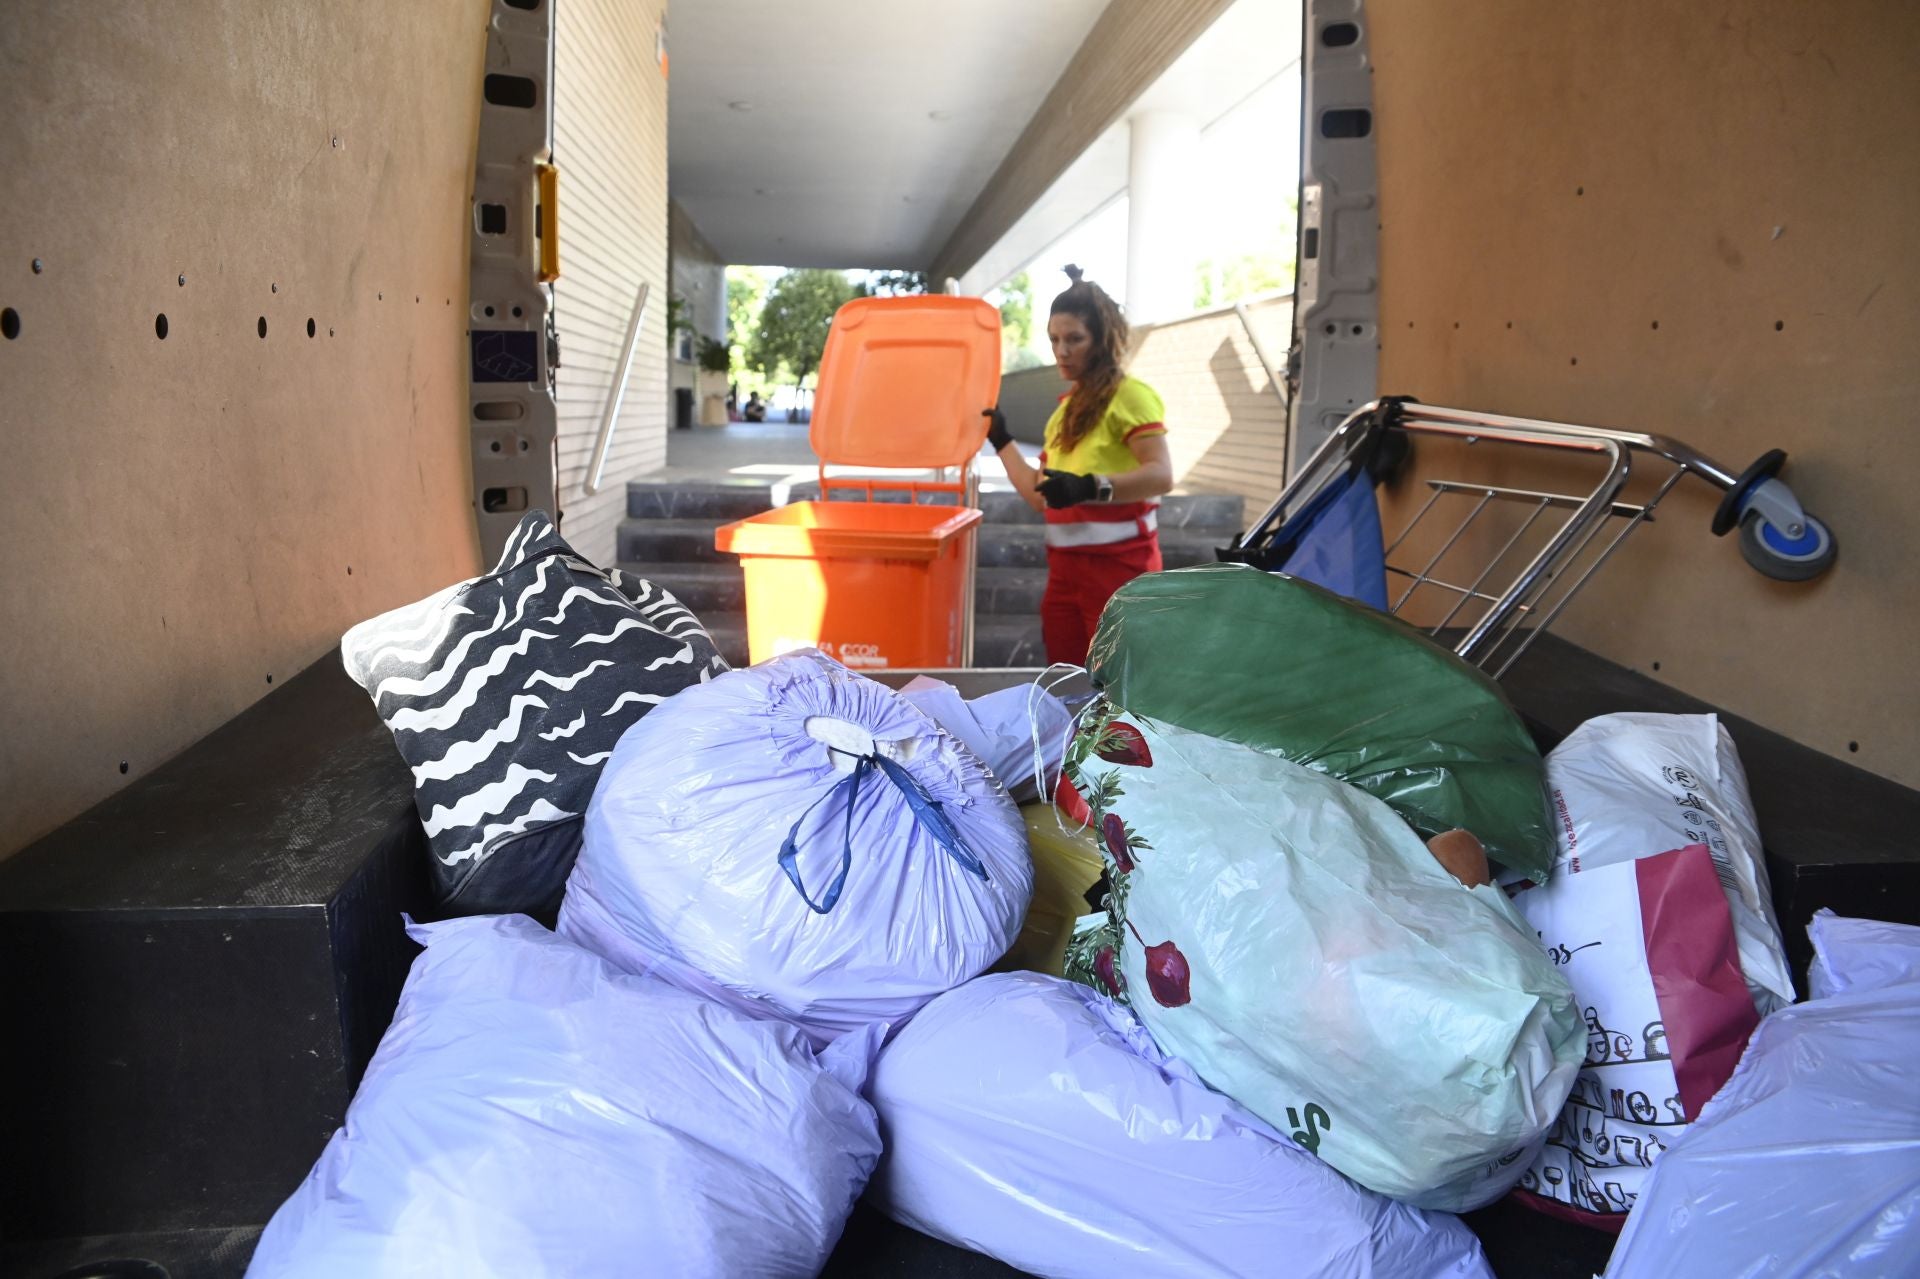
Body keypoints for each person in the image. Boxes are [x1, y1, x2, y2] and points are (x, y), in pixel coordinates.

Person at [986, 267, 1174, 665]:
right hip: (1065, 576)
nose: (1062, 351)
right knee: (1068, 687)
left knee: (1119, 694)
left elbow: (1161, 474)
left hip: (1121, 573)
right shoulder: (1062, 414)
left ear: (1101, 341)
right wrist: (1002, 442)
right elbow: (1041, 500)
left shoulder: (1132, 397)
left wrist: (1090, 486)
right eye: (1054, 339)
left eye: (1075, 339)